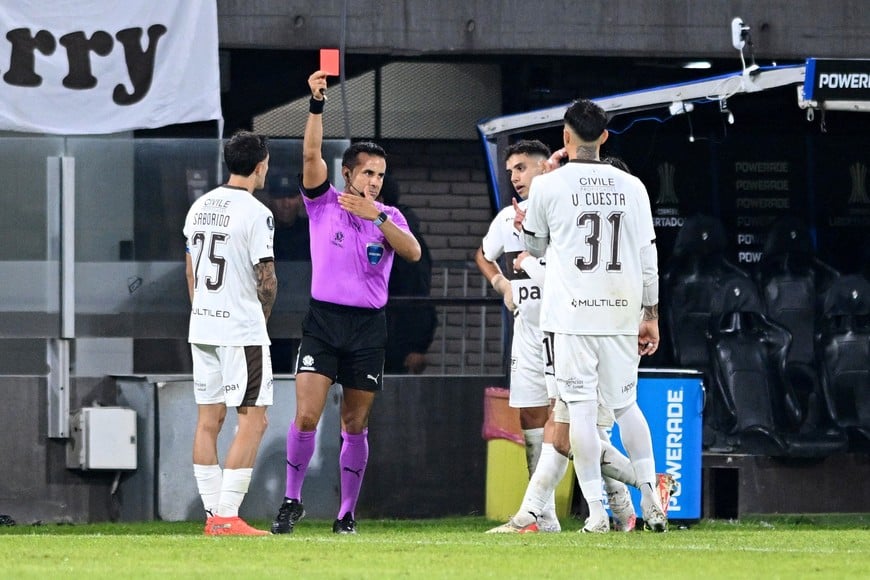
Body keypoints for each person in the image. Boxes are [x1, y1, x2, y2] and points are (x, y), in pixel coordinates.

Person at [271, 70, 422, 535]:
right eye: (367, 173)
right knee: (307, 415)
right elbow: (310, 153)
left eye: (380, 175)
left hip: (368, 328)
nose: (374, 182)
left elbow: (413, 252)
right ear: (349, 173)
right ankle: (291, 500)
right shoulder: (324, 203)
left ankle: (346, 513)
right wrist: (316, 105)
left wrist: (377, 217)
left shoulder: (389, 216)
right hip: (323, 323)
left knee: (354, 422)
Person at [522, 99, 668, 533]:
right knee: (626, 406)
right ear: (605, 137)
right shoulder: (633, 186)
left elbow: (532, 247)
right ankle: (649, 497)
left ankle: (599, 515)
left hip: (572, 316)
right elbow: (648, 257)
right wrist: (652, 314)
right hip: (621, 312)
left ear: (566, 137)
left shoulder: (549, 185)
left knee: (581, 414)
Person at [483, 147, 640, 534]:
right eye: (512, 170)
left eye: (524, 168)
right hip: (553, 332)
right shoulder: (524, 216)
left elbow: (566, 276)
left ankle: (634, 496)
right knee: (563, 429)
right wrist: (504, 280)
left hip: (584, 333)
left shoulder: (575, 215)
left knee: (572, 431)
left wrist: (529, 263)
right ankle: (598, 512)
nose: (516, 176)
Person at [183, 130, 278, 536]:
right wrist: (261, 320)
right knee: (254, 420)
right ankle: (225, 517)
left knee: (209, 420)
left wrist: (202, 311)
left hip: (202, 325)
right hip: (241, 329)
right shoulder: (257, 213)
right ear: (261, 166)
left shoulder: (199, 206)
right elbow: (267, 279)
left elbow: (191, 271)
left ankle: (213, 515)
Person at [379, 174, 437, 374]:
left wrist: (416, 346)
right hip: (381, 336)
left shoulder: (403, 241)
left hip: (393, 340)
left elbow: (416, 292)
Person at [266, 169, 311, 261]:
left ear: (300, 199)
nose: (286, 204)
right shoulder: (260, 231)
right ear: (270, 200)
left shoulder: (312, 231)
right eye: (280, 197)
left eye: (291, 197)